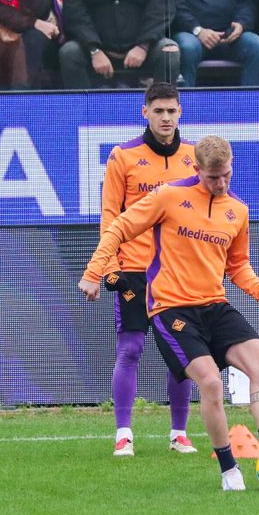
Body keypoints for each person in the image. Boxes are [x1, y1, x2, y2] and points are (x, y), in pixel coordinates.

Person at [79, 134, 259, 490]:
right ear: (197, 169)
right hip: (170, 309)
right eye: (213, 177)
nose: (221, 183)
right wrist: (93, 272)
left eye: (226, 175)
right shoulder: (169, 197)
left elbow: (237, 266)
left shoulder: (237, 211)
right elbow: (118, 227)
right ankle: (229, 470)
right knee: (210, 382)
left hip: (214, 305)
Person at [87, 82, 198, 457]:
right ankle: (123, 433)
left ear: (180, 112)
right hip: (134, 270)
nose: (166, 117)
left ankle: (178, 433)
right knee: (131, 348)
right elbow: (110, 216)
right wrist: (108, 266)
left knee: (180, 355)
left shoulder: (195, 157)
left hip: (178, 273)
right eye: (159, 110)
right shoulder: (123, 156)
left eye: (172, 110)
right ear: (145, 112)